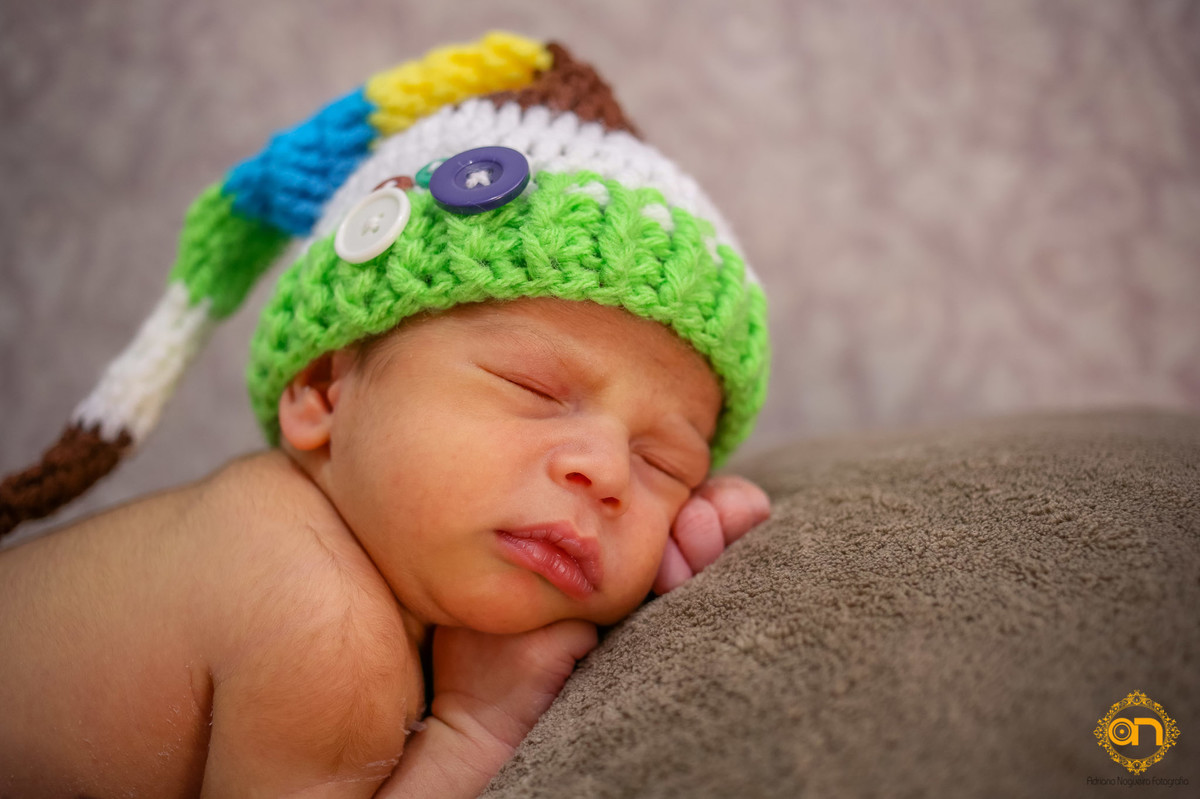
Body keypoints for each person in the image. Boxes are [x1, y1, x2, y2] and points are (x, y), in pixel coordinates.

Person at [0, 32, 771, 797]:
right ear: (324, 391)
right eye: (534, 390)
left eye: (665, 463)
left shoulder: (281, 527)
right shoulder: (327, 628)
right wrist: (475, 725)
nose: (606, 472)